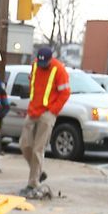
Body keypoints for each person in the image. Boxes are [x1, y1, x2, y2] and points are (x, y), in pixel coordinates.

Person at [20, 46, 71, 197]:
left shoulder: (59, 70)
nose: (42, 65)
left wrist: (53, 110)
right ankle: (38, 172)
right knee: (24, 144)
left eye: (45, 63)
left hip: (47, 113)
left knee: (38, 148)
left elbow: (65, 93)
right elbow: (33, 85)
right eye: (40, 62)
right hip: (33, 111)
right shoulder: (35, 65)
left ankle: (33, 183)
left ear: (50, 59)